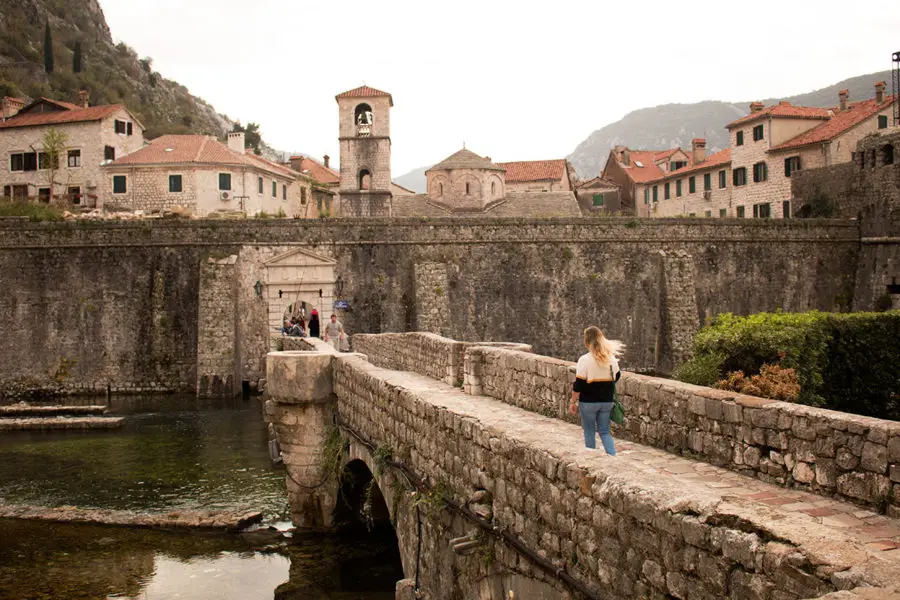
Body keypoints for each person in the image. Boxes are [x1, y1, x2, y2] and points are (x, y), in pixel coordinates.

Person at [569, 326, 623, 455]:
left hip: (588, 402)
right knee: (604, 431)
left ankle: (591, 457)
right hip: (606, 401)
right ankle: (612, 455)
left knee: (589, 431)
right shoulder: (611, 359)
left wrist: (572, 401)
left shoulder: (584, 360)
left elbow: (579, 385)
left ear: (587, 341)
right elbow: (616, 377)